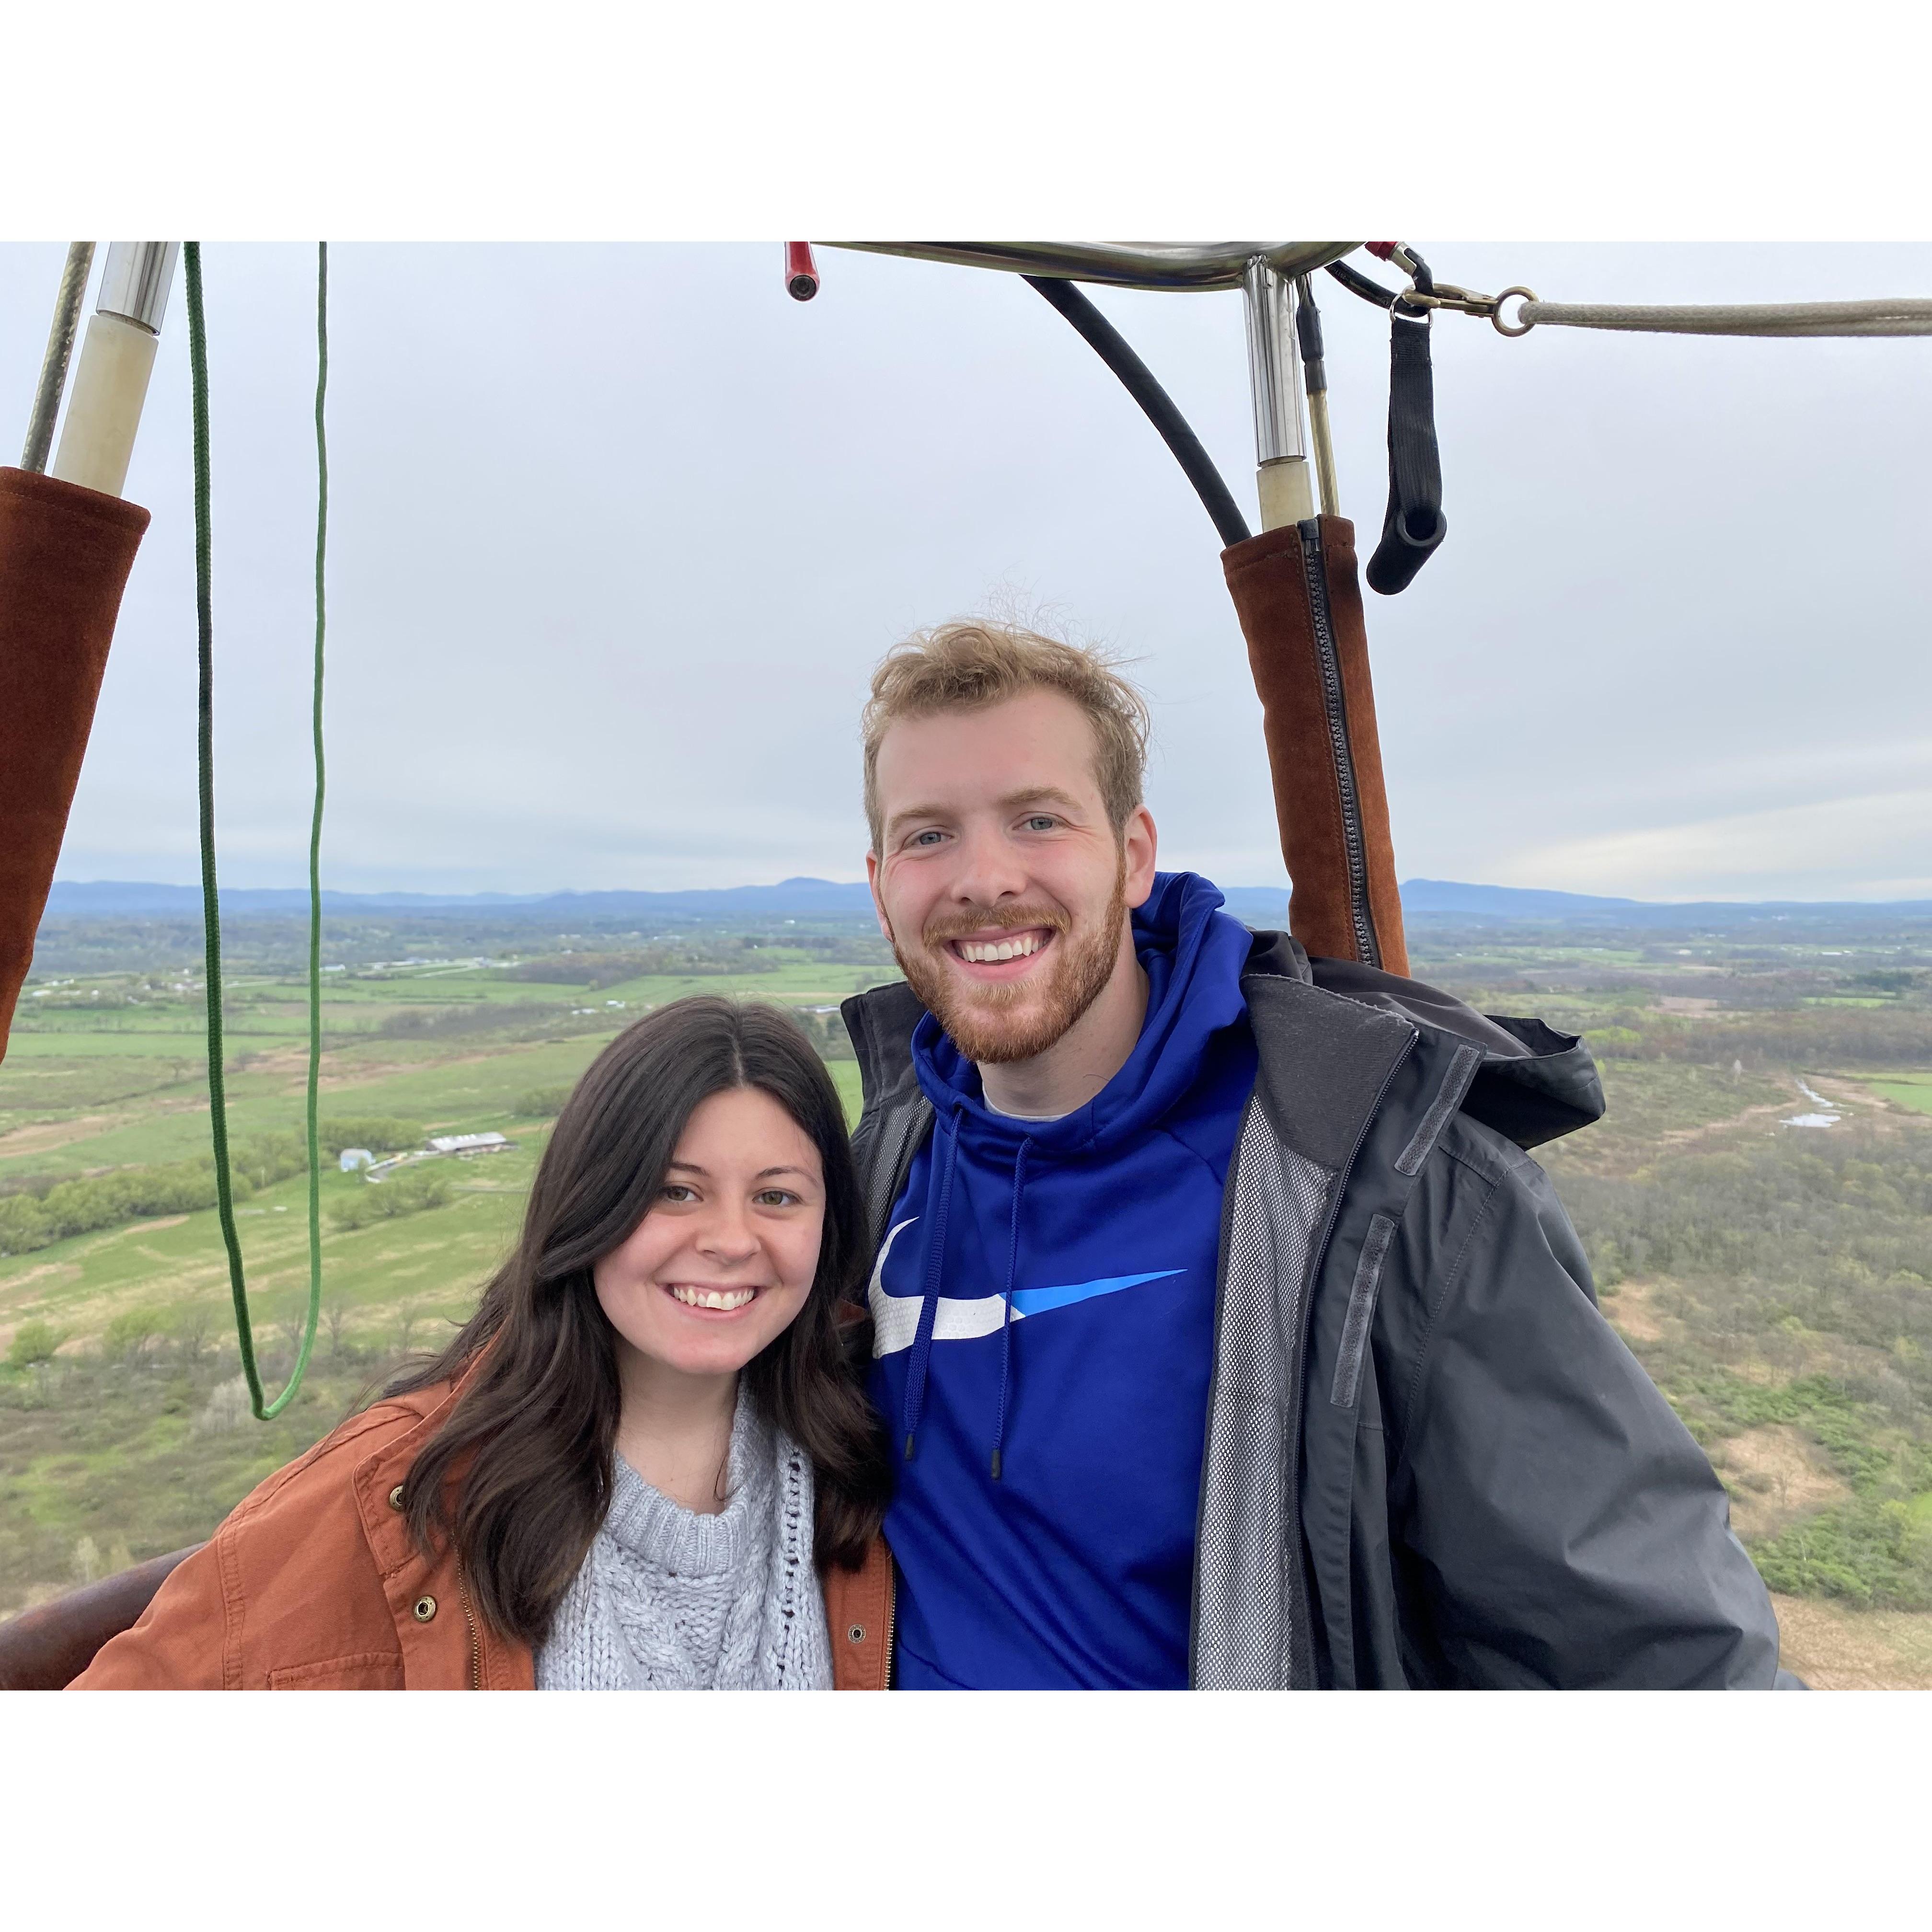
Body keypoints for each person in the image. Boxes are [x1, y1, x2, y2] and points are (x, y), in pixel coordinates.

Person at [843, 620, 1790, 1689]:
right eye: (928, 837)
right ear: (881, 883)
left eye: (1038, 819)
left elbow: (1660, 1648)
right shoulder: (887, 1157)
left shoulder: (1382, 1189)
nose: (982, 878)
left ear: (1135, 855)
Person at [75, 999, 893, 1690]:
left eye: (778, 1197)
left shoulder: (860, 1461)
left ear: (830, 1226)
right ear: (590, 1206)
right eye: (675, 1191)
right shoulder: (400, 1493)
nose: (731, 1239)